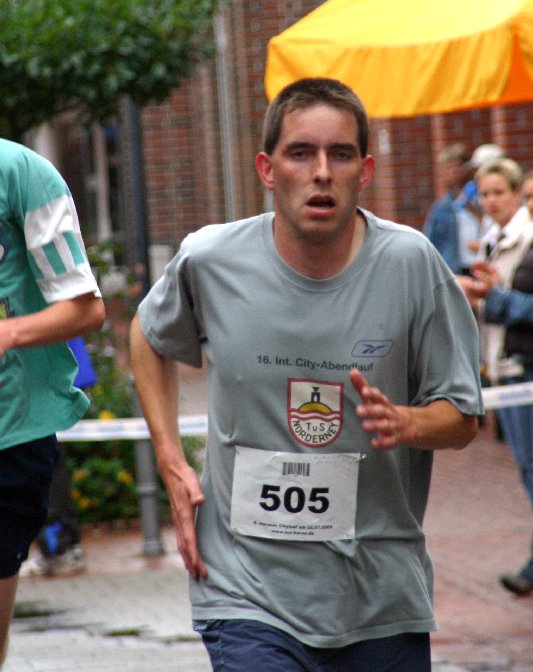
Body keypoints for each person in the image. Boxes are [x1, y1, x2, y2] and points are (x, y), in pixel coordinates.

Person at [130, 77, 482, 672]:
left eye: (340, 155)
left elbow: (464, 417)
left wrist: (408, 422)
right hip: (246, 589)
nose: (322, 172)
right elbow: (147, 334)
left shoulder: (412, 264)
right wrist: (170, 460)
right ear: (267, 170)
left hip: (378, 593)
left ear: (365, 171)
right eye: (301, 153)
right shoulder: (212, 259)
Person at [0, 138, 105, 668]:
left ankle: (62, 543)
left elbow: (86, 310)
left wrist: (9, 333)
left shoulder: (21, 173)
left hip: (10, 434)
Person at [460, 169, 533, 596]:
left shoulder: (525, 238)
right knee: (527, 468)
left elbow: (519, 303)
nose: (492, 201)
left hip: (523, 369)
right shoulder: (494, 238)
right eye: (484, 193)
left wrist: (496, 298)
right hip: (507, 367)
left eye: (500, 192)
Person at [20, 336, 97, 577]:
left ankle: (59, 548)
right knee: (52, 464)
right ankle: (62, 546)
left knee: (50, 467)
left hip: (52, 382)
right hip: (59, 378)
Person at [423, 142, 470, 273]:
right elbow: (430, 243)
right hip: (453, 269)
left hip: (477, 265)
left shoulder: (478, 199)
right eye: (449, 167)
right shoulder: (440, 208)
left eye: (458, 166)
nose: (454, 171)